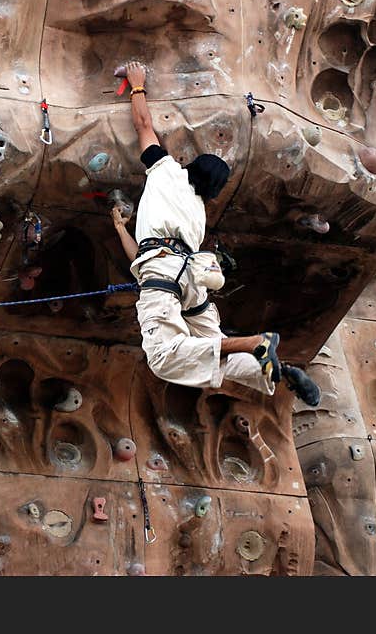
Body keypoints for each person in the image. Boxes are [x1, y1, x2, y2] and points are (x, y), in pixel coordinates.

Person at [112, 61, 320, 406]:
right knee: (214, 352)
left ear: (193, 166)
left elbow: (143, 124)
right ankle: (278, 370)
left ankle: (255, 343)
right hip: (187, 277)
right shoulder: (197, 216)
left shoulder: (166, 171)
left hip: (165, 272)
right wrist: (121, 229)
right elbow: (143, 258)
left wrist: (138, 85)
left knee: (165, 357)